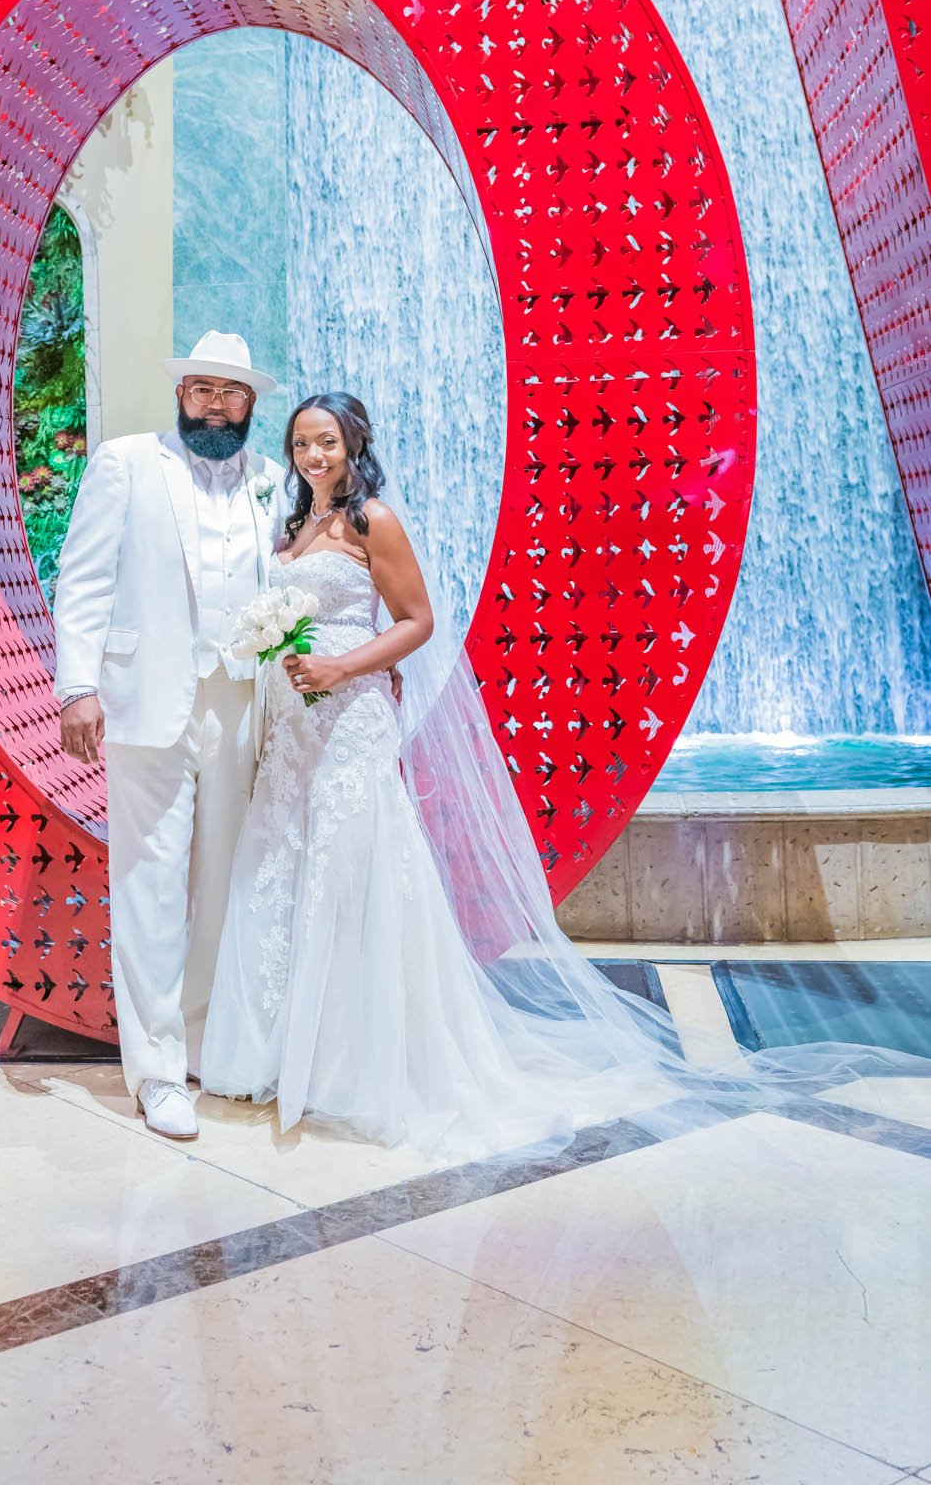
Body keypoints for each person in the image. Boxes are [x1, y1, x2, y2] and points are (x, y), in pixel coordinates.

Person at [199, 395, 927, 1158]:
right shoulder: (291, 527)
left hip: (349, 722)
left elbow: (418, 621)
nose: (315, 457)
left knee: (351, 877)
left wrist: (342, 665)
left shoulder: (369, 521)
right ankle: (280, 1053)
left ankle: (355, 1063)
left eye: (328, 443)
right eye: (303, 444)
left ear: (355, 446)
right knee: (282, 871)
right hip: (293, 733)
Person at [53, 332, 287, 1140]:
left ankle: (203, 1044)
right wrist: (77, 686)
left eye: (230, 391)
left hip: (239, 704)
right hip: (145, 700)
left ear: (251, 404)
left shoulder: (272, 480)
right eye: (201, 388)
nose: (214, 402)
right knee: (149, 882)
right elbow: (83, 576)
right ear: (181, 392)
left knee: (224, 879)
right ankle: (155, 1073)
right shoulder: (125, 463)